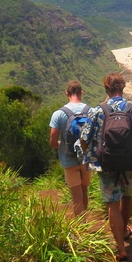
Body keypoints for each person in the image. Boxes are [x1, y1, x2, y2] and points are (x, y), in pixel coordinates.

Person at [80, 72, 132, 262]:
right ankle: (123, 230)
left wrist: (92, 155)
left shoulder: (98, 111)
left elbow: (84, 139)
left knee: (112, 203)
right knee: (127, 197)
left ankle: (121, 250)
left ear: (106, 89)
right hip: (129, 163)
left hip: (106, 164)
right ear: (122, 88)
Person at [49, 80, 91, 216]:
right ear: (81, 93)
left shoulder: (58, 114)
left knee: (76, 197)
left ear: (67, 93)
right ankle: (85, 224)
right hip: (86, 158)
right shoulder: (90, 111)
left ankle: (81, 229)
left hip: (68, 160)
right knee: (84, 192)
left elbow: (53, 140)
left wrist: (60, 145)